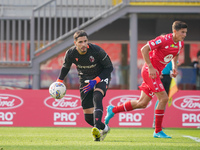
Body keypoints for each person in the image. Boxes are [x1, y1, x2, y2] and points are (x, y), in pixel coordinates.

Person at [105, 21, 187, 138]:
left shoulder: (180, 44)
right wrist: (150, 67)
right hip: (150, 72)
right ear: (175, 31)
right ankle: (158, 131)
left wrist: (174, 67)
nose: (184, 35)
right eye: (182, 32)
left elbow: (176, 55)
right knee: (163, 98)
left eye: (185, 32)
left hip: (156, 73)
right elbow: (144, 49)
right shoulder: (163, 40)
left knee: (142, 103)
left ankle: (113, 110)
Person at [56, 30, 113, 141]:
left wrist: (96, 80)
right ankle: (104, 127)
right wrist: (59, 81)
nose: (83, 44)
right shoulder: (71, 53)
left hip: (100, 77)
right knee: (87, 117)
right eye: (80, 42)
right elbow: (65, 68)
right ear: (75, 43)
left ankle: (96, 129)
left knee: (97, 96)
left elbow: (109, 68)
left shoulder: (96, 51)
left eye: (85, 41)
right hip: (85, 80)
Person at [152, 61, 172, 128]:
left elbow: (175, 63)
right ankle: (155, 122)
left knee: (164, 99)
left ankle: (159, 122)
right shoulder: (162, 52)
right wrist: (158, 72)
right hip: (160, 76)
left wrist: (174, 71)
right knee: (161, 99)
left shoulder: (173, 53)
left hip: (169, 76)